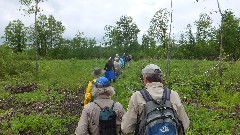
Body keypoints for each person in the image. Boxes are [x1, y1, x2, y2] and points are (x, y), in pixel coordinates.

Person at [121, 64, 190, 134]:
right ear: (161, 79)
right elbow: (185, 125)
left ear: (145, 78)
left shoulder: (138, 96)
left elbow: (126, 129)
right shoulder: (173, 94)